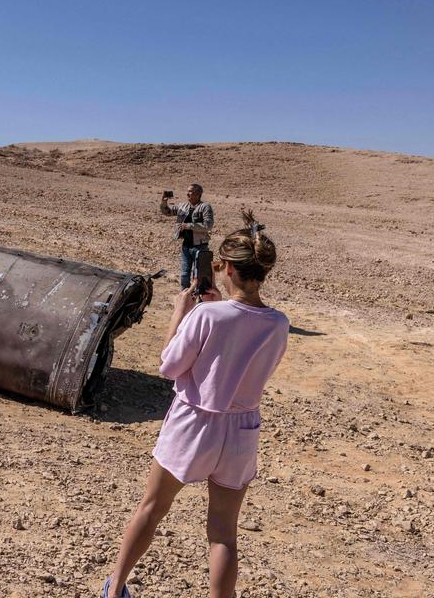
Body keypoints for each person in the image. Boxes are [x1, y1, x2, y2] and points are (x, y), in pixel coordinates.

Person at [102, 210, 287, 598]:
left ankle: (114, 587)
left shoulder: (206, 313)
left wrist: (180, 313)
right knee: (222, 533)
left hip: (194, 422)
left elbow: (170, 366)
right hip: (241, 430)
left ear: (229, 270)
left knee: (151, 509)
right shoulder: (278, 322)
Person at [160, 184, 215, 291]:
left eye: (190, 191)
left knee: (199, 274)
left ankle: (200, 299)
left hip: (200, 246)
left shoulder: (205, 207)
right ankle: (184, 297)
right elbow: (167, 212)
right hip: (186, 246)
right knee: (185, 274)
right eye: (188, 191)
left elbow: (208, 225)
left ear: (198, 194)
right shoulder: (183, 206)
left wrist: (188, 226)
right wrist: (164, 202)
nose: (187, 193)